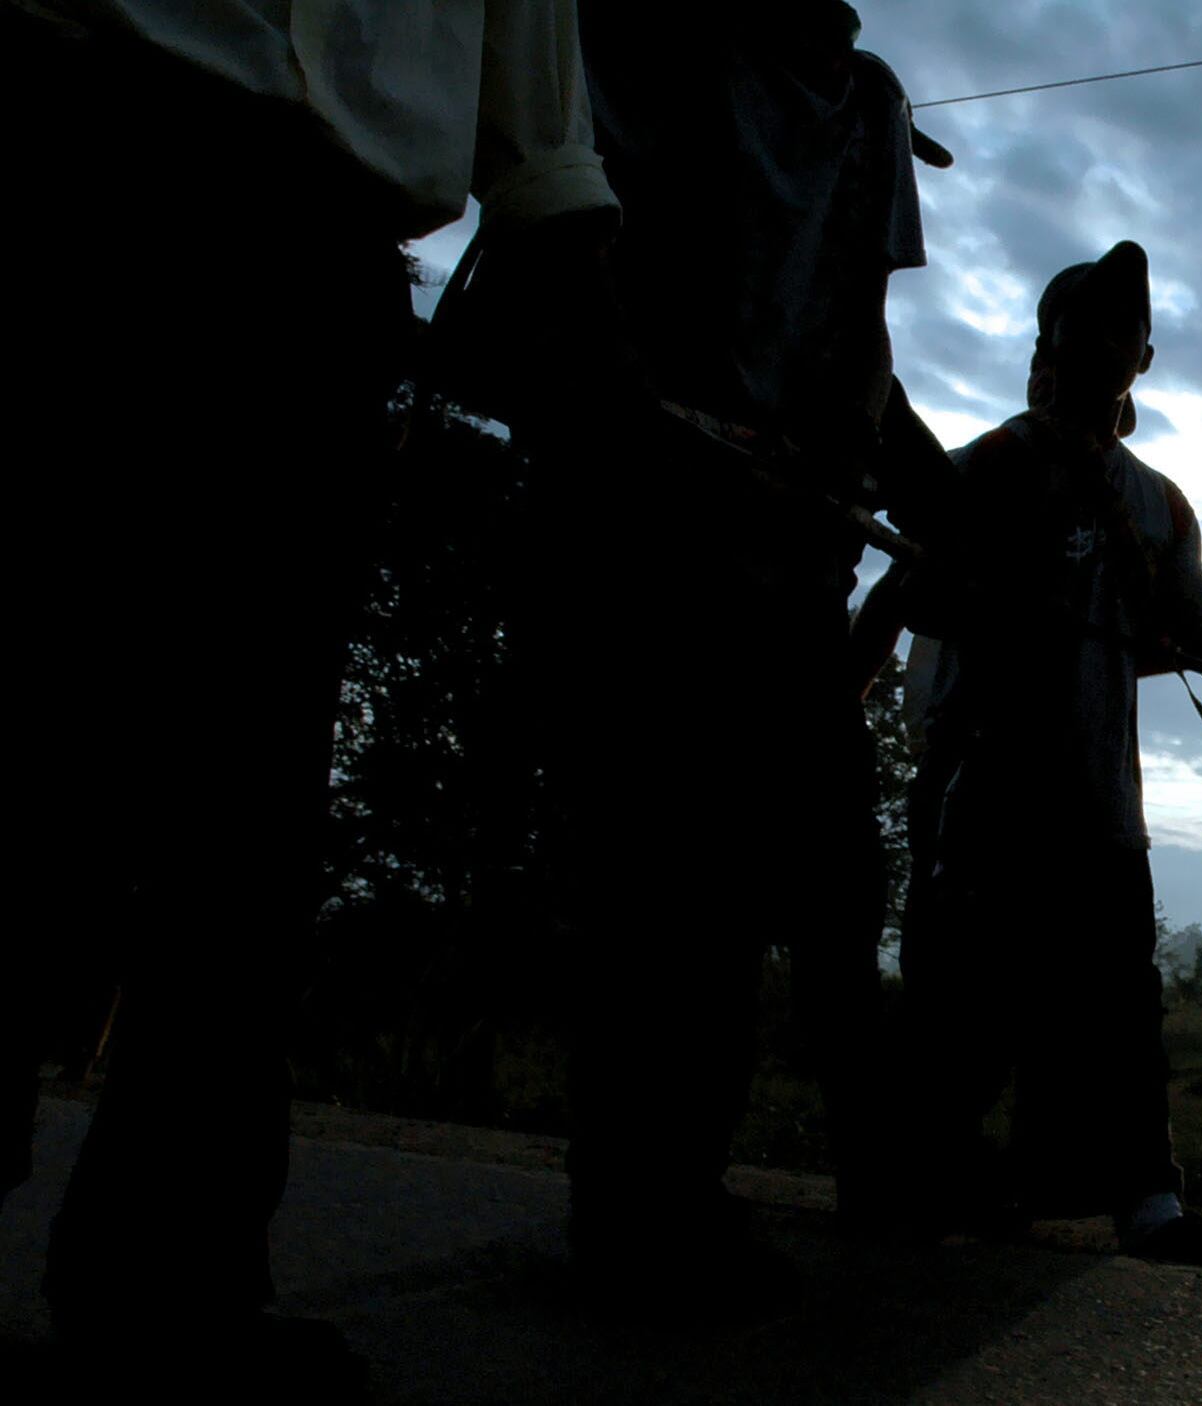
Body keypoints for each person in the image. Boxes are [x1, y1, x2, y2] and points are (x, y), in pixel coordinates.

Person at [2, 0, 621, 1394]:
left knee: (253, 802)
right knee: (38, 729)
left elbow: (541, 130)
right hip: (78, 153)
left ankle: (170, 1279)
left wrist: (580, 307)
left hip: (323, 277)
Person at [496, 1, 957, 1317]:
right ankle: (638, 1210)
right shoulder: (649, 42)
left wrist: (912, 486)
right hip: (647, 526)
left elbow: (860, 329)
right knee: (664, 883)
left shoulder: (865, 101)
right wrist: (638, 415)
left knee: (826, 875)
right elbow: (569, 227)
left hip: (794, 559)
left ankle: (762, 1183)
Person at [898, 240, 1202, 1269]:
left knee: (1121, 1008)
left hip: (1101, 807)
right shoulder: (986, 468)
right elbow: (909, 598)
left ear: (1146, 356)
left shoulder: (1159, 504)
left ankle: (1150, 1208)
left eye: (1125, 326)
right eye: (1087, 322)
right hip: (983, 795)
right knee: (969, 1002)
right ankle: (924, 1182)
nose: (1107, 341)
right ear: (1048, 345)